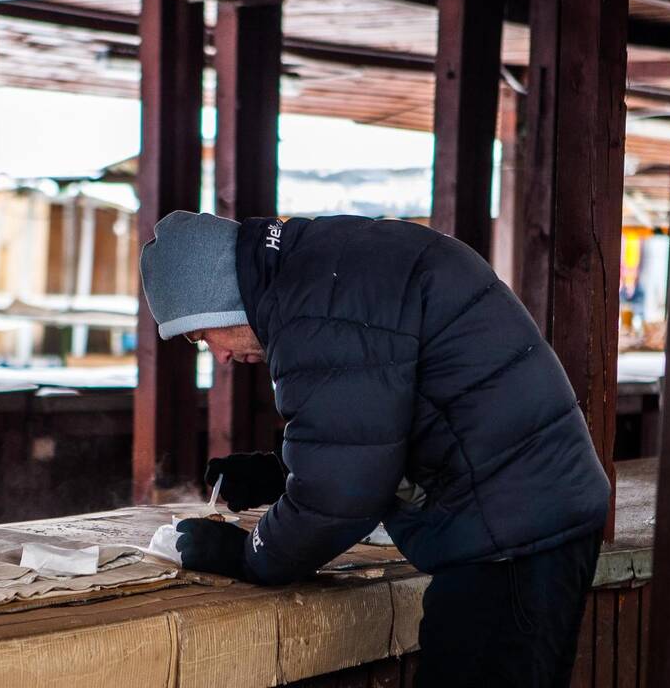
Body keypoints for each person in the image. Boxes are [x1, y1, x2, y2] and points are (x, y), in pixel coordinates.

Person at [139, 210, 609, 687]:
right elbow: (374, 437)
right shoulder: (323, 265)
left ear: (218, 300)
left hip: (509, 541)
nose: (218, 355)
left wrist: (247, 555)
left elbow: (345, 493)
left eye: (200, 335)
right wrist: (282, 477)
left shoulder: (314, 304)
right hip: (524, 512)